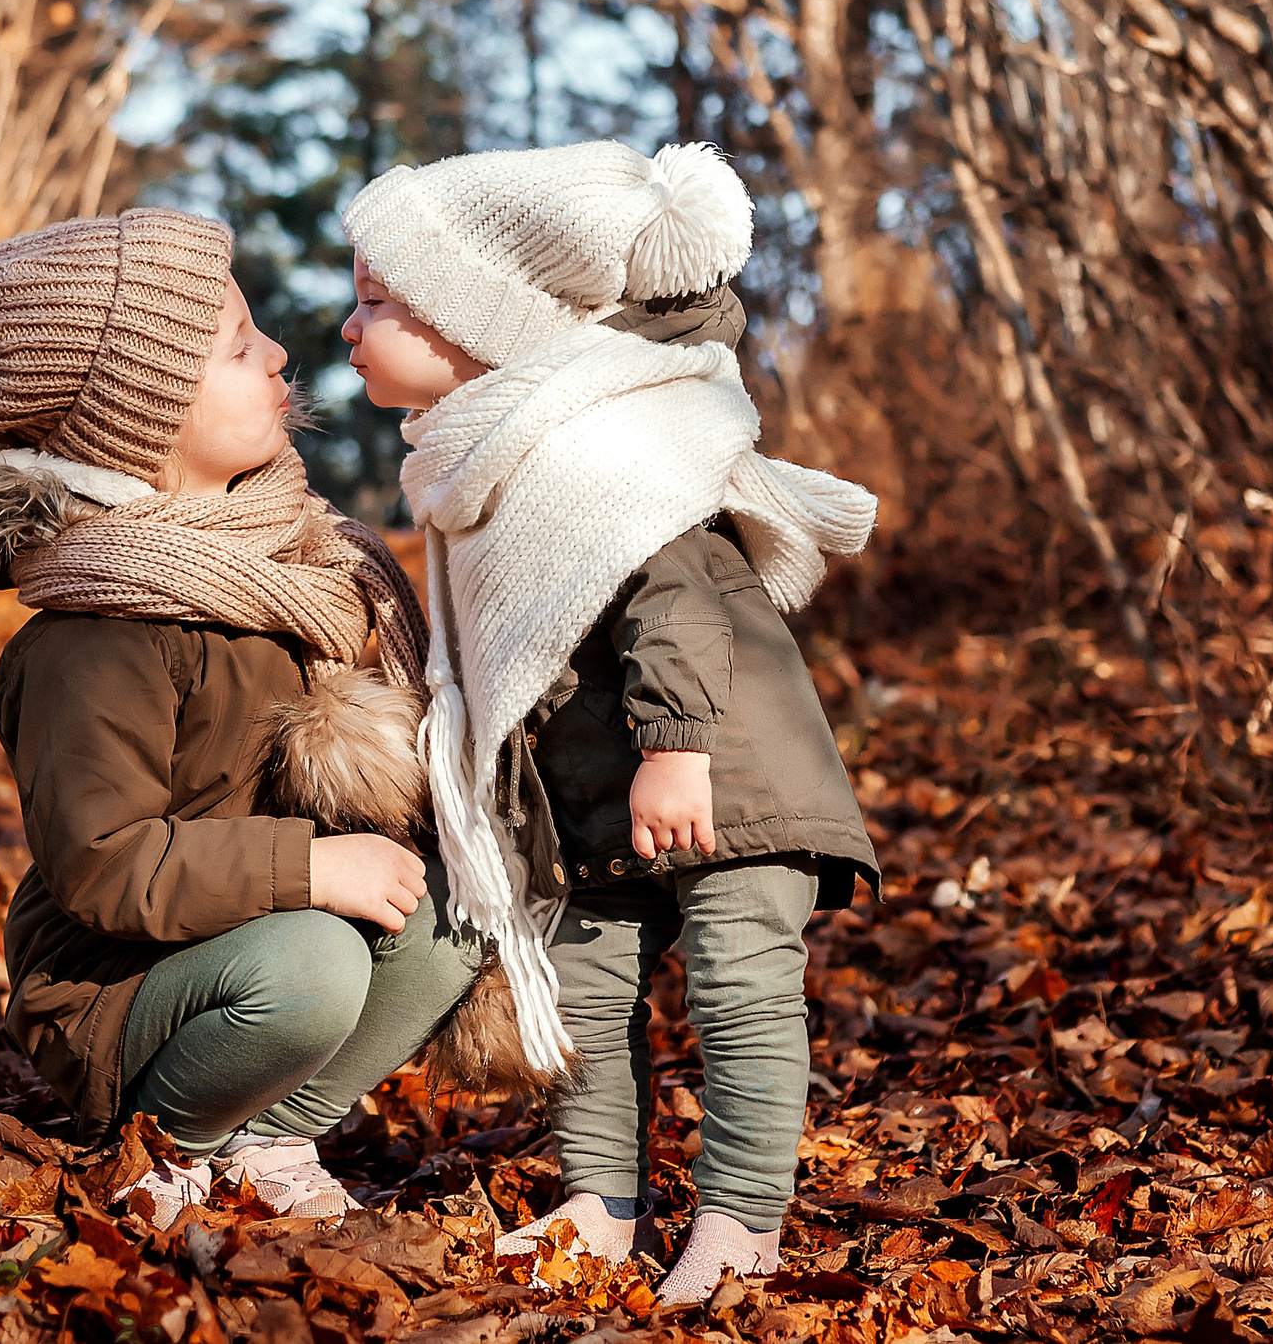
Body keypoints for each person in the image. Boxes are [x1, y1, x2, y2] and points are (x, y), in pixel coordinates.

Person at [0, 209, 482, 1226]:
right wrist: (312, 870)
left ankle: (273, 1130)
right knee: (316, 964)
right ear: (139, 421)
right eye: (239, 347)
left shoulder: (289, 566)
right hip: (121, 985)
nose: (279, 351)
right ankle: (173, 1142)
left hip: (259, 934)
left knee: (454, 919)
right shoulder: (95, 639)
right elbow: (105, 863)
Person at [337, 143, 883, 1301]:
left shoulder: (608, 446)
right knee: (581, 994)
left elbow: (675, 590)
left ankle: (740, 1219)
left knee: (739, 988)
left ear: (472, 318)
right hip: (592, 798)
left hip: (721, 769)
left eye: (377, 301)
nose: (349, 325)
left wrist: (677, 745)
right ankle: (603, 1197)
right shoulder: (487, 455)